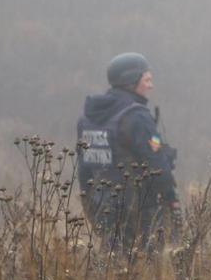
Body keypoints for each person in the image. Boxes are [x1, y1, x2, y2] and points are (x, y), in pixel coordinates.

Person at [76, 52, 180, 250]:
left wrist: (90, 206)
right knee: (148, 270)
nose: (151, 85)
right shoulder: (137, 117)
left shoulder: (87, 119)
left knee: (111, 270)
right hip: (139, 210)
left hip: (102, 206)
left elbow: (84, 169)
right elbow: (158, 164)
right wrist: (172, 200)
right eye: (147, 79)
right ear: (131, 81)